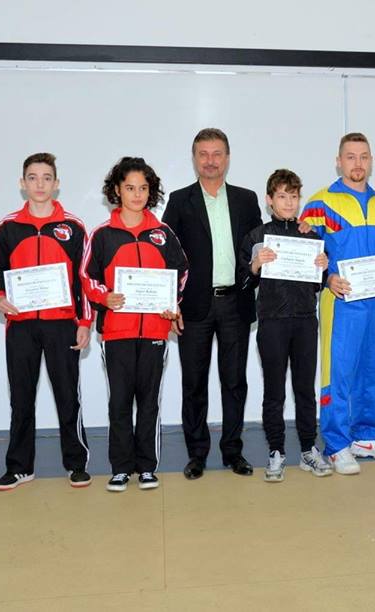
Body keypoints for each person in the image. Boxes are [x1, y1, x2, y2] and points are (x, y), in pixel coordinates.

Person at [299, 132, 375, 475]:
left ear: (370, 161)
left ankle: (367, 437)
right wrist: (327, 278)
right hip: (340, 301)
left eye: (363, 156)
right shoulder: (319, 203)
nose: (357, 163)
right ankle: (336, 445)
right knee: (338, 372)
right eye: (350, 156)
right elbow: (307, 255)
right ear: (338, 161)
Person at [82, 157, 189, 491]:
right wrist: (105, 297)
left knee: (149, 400)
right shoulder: (103, 235)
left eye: (143, 188)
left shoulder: (163, 233)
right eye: (130, 188)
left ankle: (146, 467)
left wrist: (173, 303)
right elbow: (87, 277)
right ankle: (120, 467)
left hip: (155, 330)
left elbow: (181, 273)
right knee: (119, 402)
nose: (137, 194)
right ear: (117, 190)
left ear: (150, 191)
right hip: (117, 332)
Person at [162, 128, 263, 480]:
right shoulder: (179, 201)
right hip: (194, 307)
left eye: (217, 153)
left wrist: (302, 232)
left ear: (227, 158)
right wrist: (170, 302)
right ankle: (197, 453)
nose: (210, 160)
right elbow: (166, 256)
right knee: (194, 383)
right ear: (194, 159)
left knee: (234, 382)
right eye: (203, 154)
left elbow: (258, 247)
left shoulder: (246, 200)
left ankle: (233, 450)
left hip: (235, 303)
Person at [0, 152, 93, 490]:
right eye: (32, 178)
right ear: (22, 184)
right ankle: (20, 466)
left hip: (62, 324)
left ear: (56, 184)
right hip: (20, 325)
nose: (39, 184)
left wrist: (84, 322)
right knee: (21, 397)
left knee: (68, 395)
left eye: (46, 178)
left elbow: (84, 279)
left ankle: (76, 463)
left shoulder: (74, 227)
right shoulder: (7, 227)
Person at [239, 169, 333, 482]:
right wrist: (255, 264)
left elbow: (319, 283)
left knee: (305, 389)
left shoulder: (311, 236)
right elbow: (244, 280)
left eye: (294, 196)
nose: (289, 202)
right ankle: (276, 451)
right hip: (272, 323)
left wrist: (323, 267)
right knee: (274, 391)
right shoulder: (257, 236)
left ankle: (308, 448)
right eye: (282, 196)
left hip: (305, 321)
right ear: (270, 200)